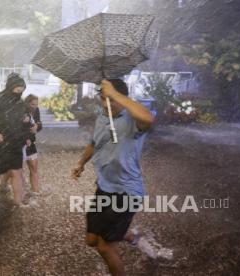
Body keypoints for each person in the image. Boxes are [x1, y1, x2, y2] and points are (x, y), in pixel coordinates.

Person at [72, 79, 155, 276]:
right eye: (102, 99)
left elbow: (149, 119)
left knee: (105, 247)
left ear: (122, 98)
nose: (104, 104)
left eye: (109, 100)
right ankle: (132, 235)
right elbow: (95, 143)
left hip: (126, 192)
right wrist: (81, 163)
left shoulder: (133, 121)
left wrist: (114, 94)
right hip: (104, 188)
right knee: (91, 240)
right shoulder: (102, 117)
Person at [0, 73, 30, 205]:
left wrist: (26, 122)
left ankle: (19, 203)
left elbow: (24, 121)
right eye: (17, 89)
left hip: (15, 143)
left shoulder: (20, 103)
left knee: (17, 172)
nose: (20, 91)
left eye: (22, 89)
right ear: (10, 87)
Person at [1, 94, 42, 194]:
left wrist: (37, 126)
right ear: (27, 103)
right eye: (33, 104)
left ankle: (35, 192)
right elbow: (15, 129)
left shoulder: (36, 110)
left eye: (36, 104)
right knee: (14, 169)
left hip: (31, 143)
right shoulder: (19, 111)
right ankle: (3, 184)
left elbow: (39, 123)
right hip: (19, 143)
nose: (35, 107)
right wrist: (25, 138)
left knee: (34, 166)